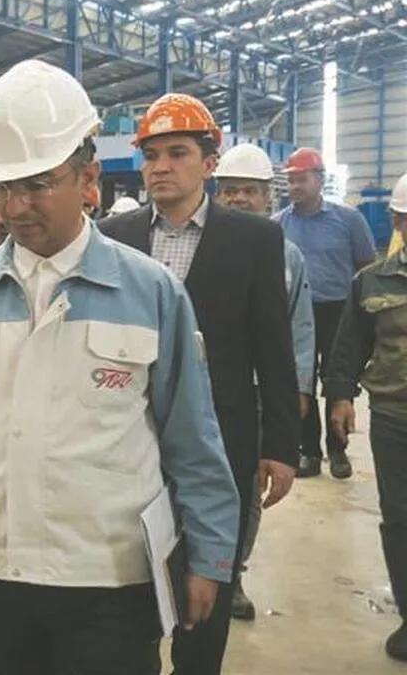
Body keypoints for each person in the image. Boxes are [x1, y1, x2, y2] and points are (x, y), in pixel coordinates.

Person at [0, 60, 240, 675]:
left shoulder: (150, 292)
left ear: (87, 178)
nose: (16, 206)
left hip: (109, 578)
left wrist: (209, 554)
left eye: (38, 184)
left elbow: (192, 439)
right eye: (3, 188)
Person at [99, 93, 300, 674]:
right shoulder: (113, 236)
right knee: (128, 585)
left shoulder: (255, 241)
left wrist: (281, 445)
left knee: (208, 581)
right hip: (127, 436)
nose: (161, 167)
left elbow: (273, 347)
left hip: (221, 436)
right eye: (151, 155)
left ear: (209, 164)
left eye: (177, 153)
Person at [215, 143, 316, 620]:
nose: (238, 199)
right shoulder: (204, 247)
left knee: (246, 486)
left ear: (267, 197)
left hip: (257, 394)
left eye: (249, 191)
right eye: (230, 190)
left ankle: (231, 574)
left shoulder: (285, 256)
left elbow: (300, 327)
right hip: (207, 387)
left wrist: (296, 393)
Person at [325, 171, 407, 663]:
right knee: (399, 517)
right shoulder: (371, 281)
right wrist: (340, 396)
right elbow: (349, 346)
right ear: (399, 222)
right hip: (395, 417)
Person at [274, 146, 377, 479]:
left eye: (301, 179)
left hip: (339, 312)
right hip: (296, 312)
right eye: (291, 180)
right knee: (301, 381)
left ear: (319, 180)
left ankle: (338, 450)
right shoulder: (278, 225)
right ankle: (309, 452)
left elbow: (366, 268)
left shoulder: (348, 220)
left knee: (337, 381)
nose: (294, 187)